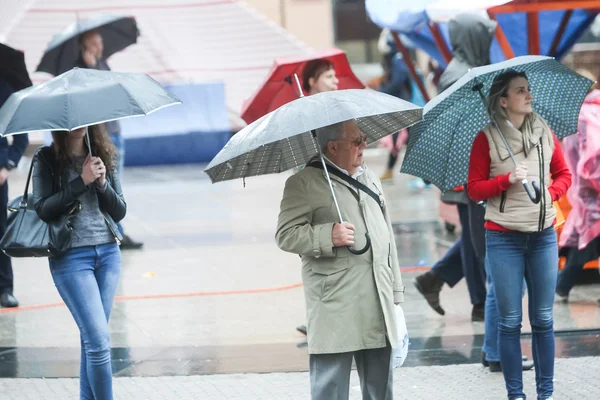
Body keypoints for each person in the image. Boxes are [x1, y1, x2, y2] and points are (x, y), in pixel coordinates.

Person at [276, 119, 404, 400]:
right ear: (332, 147)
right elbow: (285, 235)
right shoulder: (304, 182)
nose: (363, 146)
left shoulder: (369, 177)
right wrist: (327, 235)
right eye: (355, 141)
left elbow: (387, 234)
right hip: (336, 301)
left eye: (363, 139)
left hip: (376, 297)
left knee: (380, 387)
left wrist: (395, 289)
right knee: (330, 387)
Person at [468, 70, 571, 400]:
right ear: (503, 100)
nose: (528, 95)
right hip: (503, 239)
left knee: (543, 319)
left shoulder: (544, 131)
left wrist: (552, 192)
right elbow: (473, 189)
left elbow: (564, 174)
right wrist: (507, 180)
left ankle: (546, 394)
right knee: (510, 322)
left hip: (542, 236)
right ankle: (516, 395)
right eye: (520, 91)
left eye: (528, 89)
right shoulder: (486, 138)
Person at [413, 13, 496, 322]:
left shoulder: (466, 70)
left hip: (471, 170)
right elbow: (465, 129)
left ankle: (436, 280)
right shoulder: (459, 75)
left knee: (478, 234)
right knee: (480, 236)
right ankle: (479, 302)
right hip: (468, 172)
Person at [32, 124, 126, 399]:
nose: (77, 125)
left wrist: (101, 183)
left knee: (93, 341)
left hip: (108, 254)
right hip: (72, 257)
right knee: (98, 341)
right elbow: (43, 209)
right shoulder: (46, 158)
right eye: (69, 121)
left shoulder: (103, 154)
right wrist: (80, 181)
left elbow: (119, 211)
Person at [76, 30, 142, 250]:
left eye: (100, 42)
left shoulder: (103, 64)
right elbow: (95, 93)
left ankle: (117, 230)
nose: (98, 47)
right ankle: (116, 232)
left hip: (114, 130)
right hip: (100, 135)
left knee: (116, 183)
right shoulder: (82, 69)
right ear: (83, 46)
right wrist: (90, 66)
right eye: (93, 43)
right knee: (108, 183)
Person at [295, 58, 339, 336]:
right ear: (312, 81)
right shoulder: (301, 112)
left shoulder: (337, 109)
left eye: (336, 77)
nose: (335, 82)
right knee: (315, 256)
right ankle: (317, 317)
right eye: (329, 77)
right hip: (312, 187)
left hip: (336, 186)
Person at [556, 69, 600, 305]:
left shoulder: (582, 115)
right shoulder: (595, 109)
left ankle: (561, 285)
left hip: (591, 192)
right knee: (587, 239)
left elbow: (593, 152)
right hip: (590, 191)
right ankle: (561, 285)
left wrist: (589, 181)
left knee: (589, 239)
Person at [0, 78, 29, 308]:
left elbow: (21, 137)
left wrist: (7, 165)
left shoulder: (5, 91)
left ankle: (5, 288)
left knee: (1, 231)